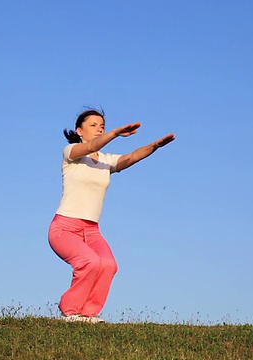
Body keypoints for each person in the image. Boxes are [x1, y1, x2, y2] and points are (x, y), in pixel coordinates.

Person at [48, 108, 175, 323]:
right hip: (64, 228)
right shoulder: (71, 153)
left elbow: (132, 156)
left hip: (91, 230)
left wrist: (154, 146)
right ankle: (69, 311)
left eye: (102, 126)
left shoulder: (106, 161)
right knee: (89, 262)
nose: (99, 129)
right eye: (93, 125)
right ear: (79, 130)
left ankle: (88, 314)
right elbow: (91, 146)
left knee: (108, 264)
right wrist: (115, 133)